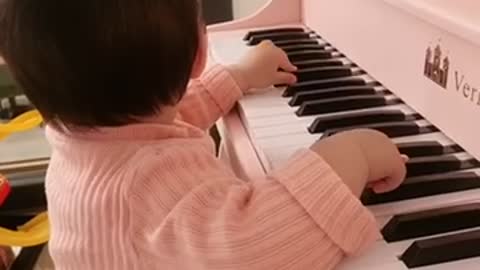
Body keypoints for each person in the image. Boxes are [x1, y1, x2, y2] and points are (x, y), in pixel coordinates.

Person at [0, 0, 407, 269]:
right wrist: (352, 155)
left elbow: (161, 126)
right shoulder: (142, 192)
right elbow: (259, 245)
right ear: (200, 51)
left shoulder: (86, 141)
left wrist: (236, 77)